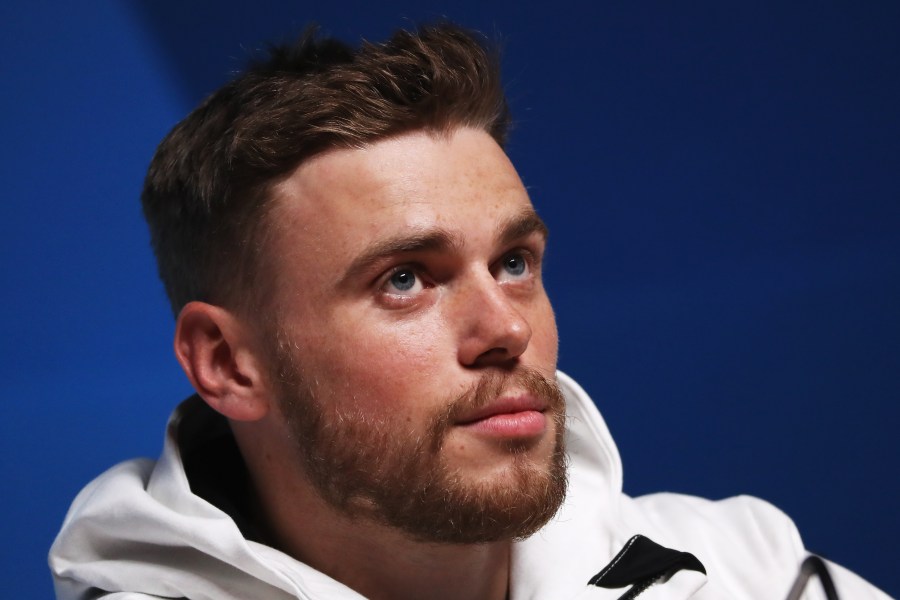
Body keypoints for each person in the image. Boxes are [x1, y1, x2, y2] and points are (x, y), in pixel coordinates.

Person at [49, 23, 888, 600]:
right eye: (407, 279)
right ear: (229, 363)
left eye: (515, 262)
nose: (507, 330)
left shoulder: (749, 568)